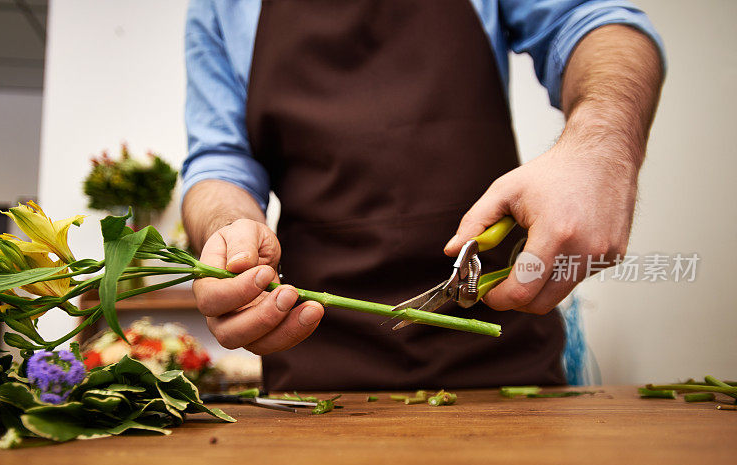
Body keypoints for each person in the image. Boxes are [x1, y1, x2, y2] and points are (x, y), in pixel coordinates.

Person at [181, 0, 664, 391]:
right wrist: (229, 233)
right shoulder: (218, 8)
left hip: (506, 352)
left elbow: (593, 22)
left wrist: (601, 148)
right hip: (313, 366)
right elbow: (220, 161)